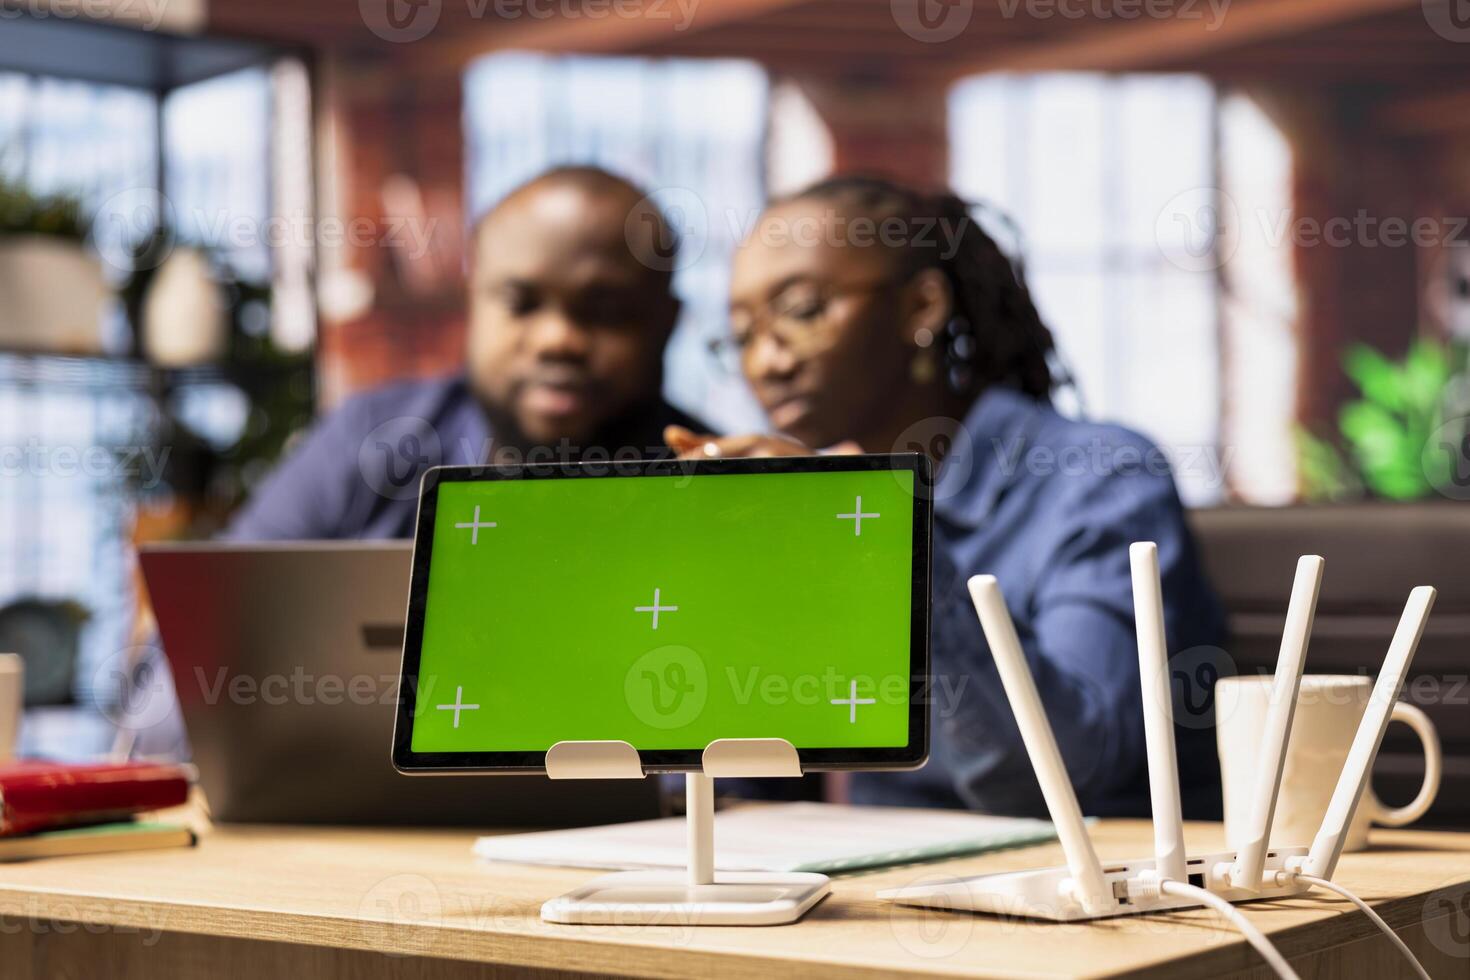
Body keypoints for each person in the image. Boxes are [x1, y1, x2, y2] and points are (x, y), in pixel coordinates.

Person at [667, 175, 1226, 818]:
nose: (766, 361)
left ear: (921, 308)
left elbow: (1075, 770)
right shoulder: (818, 497)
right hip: (873, 879)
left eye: (801, 312)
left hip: (1090, 891)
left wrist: (881, 535)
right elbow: (762, 778)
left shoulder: (1098, 476)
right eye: (741, 336)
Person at [227, 165, 705, 541]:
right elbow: (210, 629)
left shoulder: (718, 484)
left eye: (605, 311)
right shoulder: (372, 438)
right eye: (521, 304)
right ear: (472, 302)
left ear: (667, 324)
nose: (557, 339)